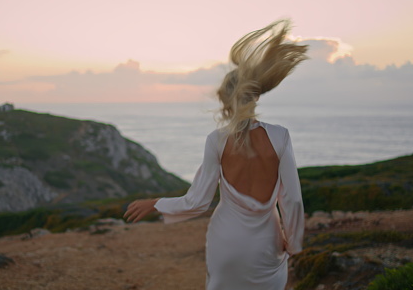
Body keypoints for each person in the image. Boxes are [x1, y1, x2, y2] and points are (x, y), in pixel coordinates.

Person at [124, 19, 307, 290]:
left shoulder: (217, 141)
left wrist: (156, 203)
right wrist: (294, 243)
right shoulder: (280, 136)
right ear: (255, 97)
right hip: (265, 243)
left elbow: (197, 202)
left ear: (225, 101)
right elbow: (291, 200)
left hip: (226, 240)